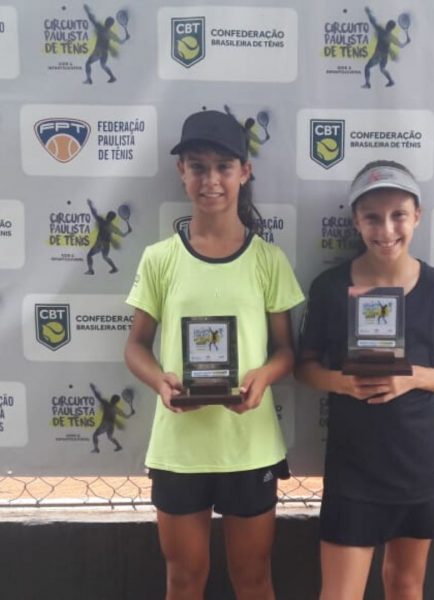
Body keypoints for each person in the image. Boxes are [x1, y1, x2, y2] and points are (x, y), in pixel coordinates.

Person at [124, 110, 304, 600]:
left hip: (250, 447)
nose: (211, 180)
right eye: (198, 167)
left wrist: (263, 376)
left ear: (244, 172)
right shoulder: (160, 258)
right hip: (179, 449)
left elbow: (286, 351)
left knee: (253, 578)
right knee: (184, 580)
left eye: (223, 166)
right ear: (181, 172)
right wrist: (160, 381)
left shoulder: (268, 259)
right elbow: (136, 346)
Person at [296, 160, 434, 600]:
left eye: (399, 215)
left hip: (419, 462)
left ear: (418, 216)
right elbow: (305, 367)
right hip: (354, 467)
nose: (387, 229)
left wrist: (411, 377)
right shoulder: (329, 288)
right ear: (356, 221)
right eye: (373, 217)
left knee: (404, 584)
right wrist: (341, 382)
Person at [362, 7, 411, 89]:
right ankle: (391, 81)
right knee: (382, 69)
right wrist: (407, 42)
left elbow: (373, 22)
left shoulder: (380, 30)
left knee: (367, 67)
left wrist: (369, 13)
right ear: (392, 28)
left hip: (378, 55)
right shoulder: (392, 37)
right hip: (385, 56)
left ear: (387, 25)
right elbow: (401, 45)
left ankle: (367, 84)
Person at [83, 3, 129, 84]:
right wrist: (126, 38)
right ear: (111, 25)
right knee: (103, 66)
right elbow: (121, 42)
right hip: (105, 53)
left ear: (106, 22)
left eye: (107, 21)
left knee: (87, 64)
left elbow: (92, 19)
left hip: (98, 51)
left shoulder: (100, 27)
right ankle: (112, 77)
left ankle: (89, 80)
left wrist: (87, 11)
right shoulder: (111, 34)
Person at [85, 198, 132, 275]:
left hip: (100, 243)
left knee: (89, 255)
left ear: (107, 216)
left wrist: (90, 205)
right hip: (106, 245)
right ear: (113, 219)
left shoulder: (101, 221)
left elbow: (94, 213)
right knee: (105, 257)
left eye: (109, 215)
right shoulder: (112, 227)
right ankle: (114, 268)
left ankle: (91, 270)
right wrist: (128, 231)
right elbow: (123, 235)